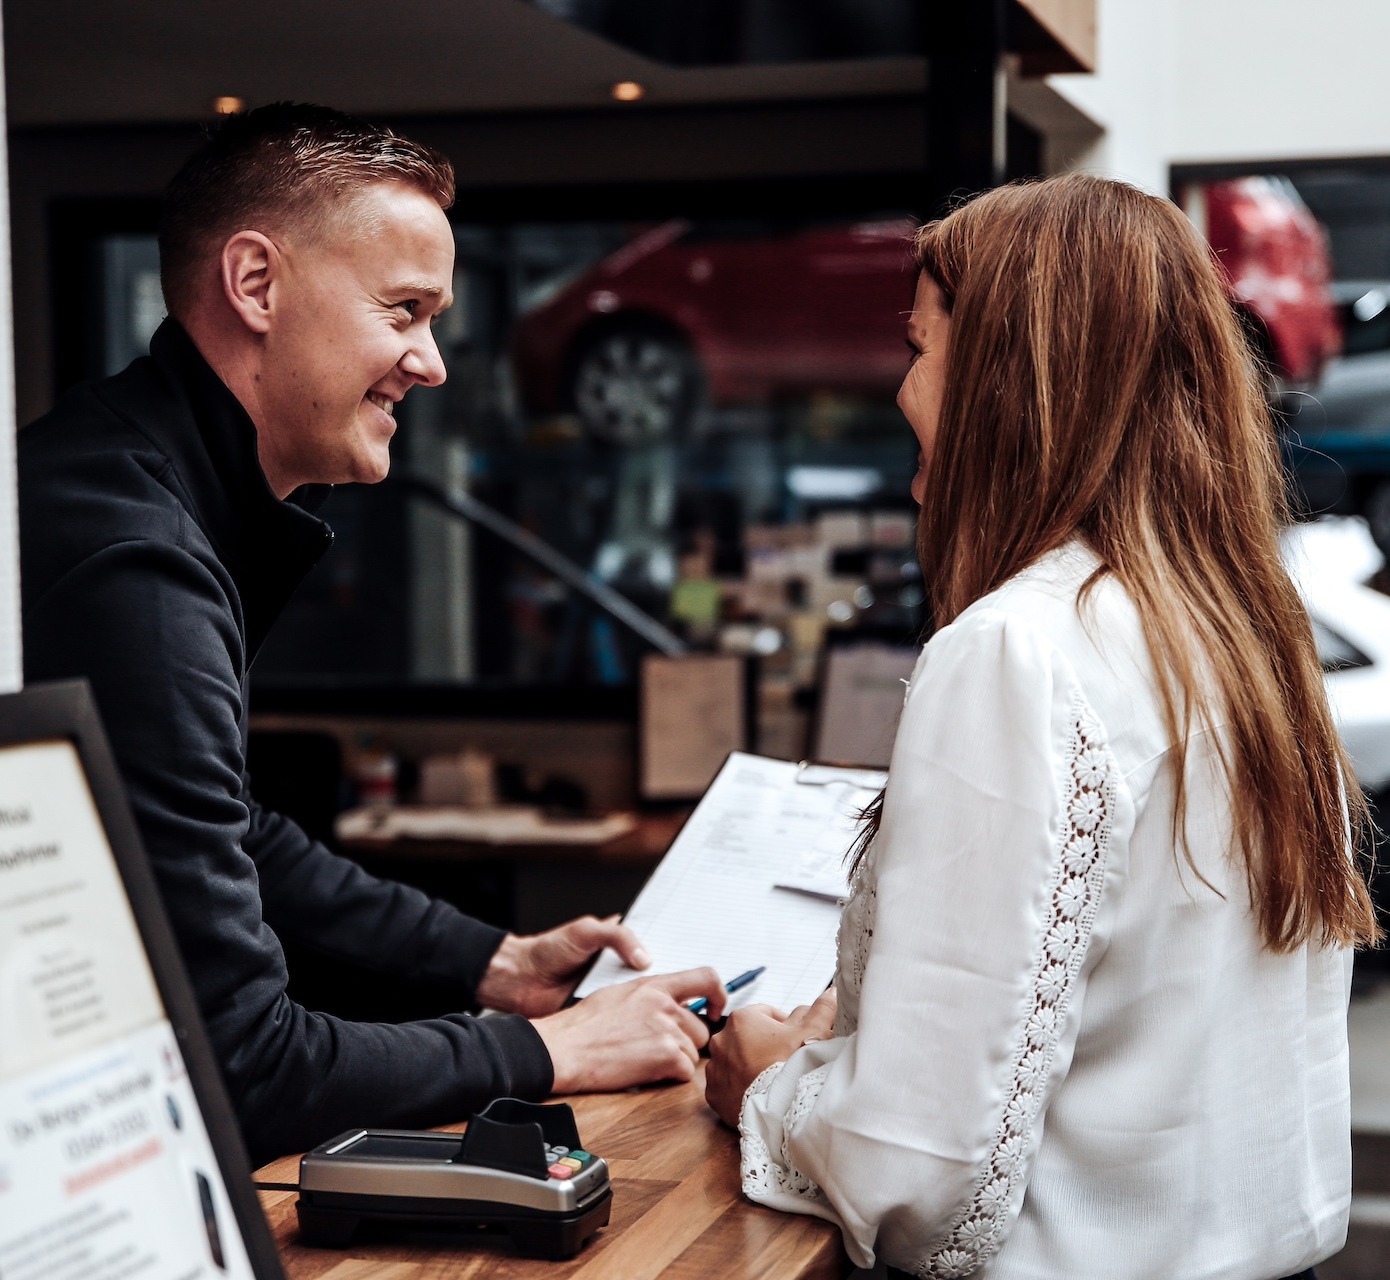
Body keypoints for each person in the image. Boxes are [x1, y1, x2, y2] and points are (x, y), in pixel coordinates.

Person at [18, 102, 724, 1163]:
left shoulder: (135, 479)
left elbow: (229, 828)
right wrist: (547, 1048)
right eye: (404, 311)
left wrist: (493, 959)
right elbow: (248, 1069)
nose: (430, 362)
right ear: (256, 284)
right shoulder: (135, 560)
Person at [705, 173, 1378, 1280]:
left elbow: (920, 1179)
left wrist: (772, 1083)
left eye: (920, 348)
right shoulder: (1242, 636)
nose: (901, 389)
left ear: (1007, 379)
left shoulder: (1018, 650)